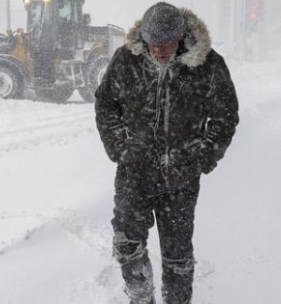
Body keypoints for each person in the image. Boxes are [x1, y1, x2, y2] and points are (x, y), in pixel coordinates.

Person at [94, 2, 239, 304]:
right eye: (153, 44)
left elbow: (225, 116)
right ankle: (140, 296)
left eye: (167, 44)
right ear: (143, 39)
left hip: (181, 179)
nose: (159, 51)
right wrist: (120, 147)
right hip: (135, 172)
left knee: (177, 256)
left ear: (181, 37)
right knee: (126, 242)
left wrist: (201, 156)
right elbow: (106, 104)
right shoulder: (126, 60)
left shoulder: (207, 66)